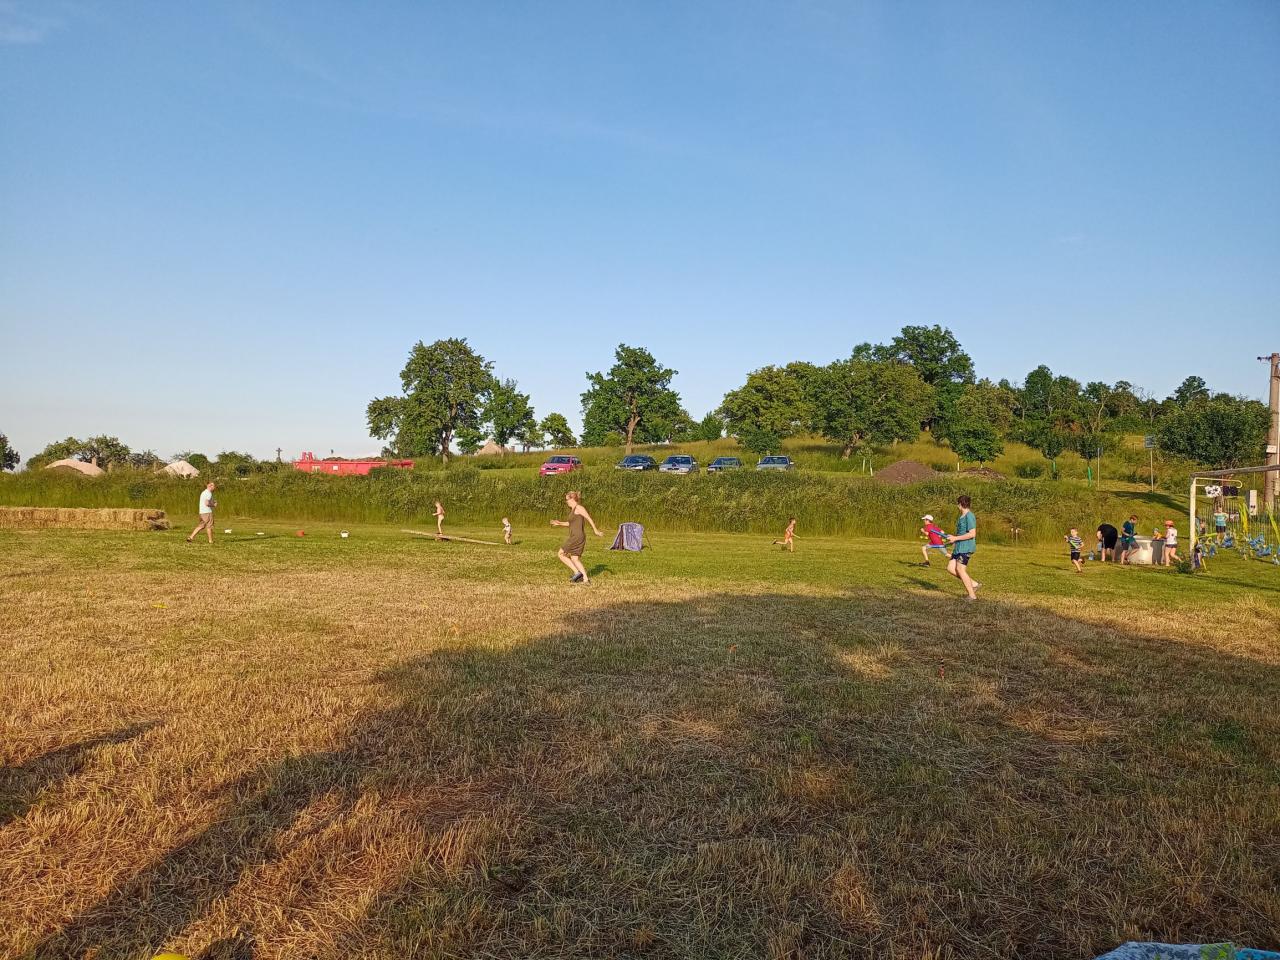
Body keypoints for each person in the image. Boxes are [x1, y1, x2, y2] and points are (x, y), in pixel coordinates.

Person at [551, 491, 602, 583]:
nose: (566, 501)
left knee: (560, 554)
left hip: (577, 536)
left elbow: (588, 518)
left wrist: (595, 530)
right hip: (577, 536)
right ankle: (585, 579)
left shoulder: (578, 508)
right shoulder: (573, 510)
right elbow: (570, 523)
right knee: (575, 558)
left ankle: (577, 573)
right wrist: (559, 523)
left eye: (567, 499)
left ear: (572, 499)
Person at [944, 495, 981, 600]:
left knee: (960, 569)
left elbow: (972, 534)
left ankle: (972, 595)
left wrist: (955, 538)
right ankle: (974, 584)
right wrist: (952, 539)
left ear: (960, 504)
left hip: (966, 548)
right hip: (959, 547)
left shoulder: (969, 516)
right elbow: (961, 533)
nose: (957, 506)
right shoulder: (962, 516)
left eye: (958, 504)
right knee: (951, 568)